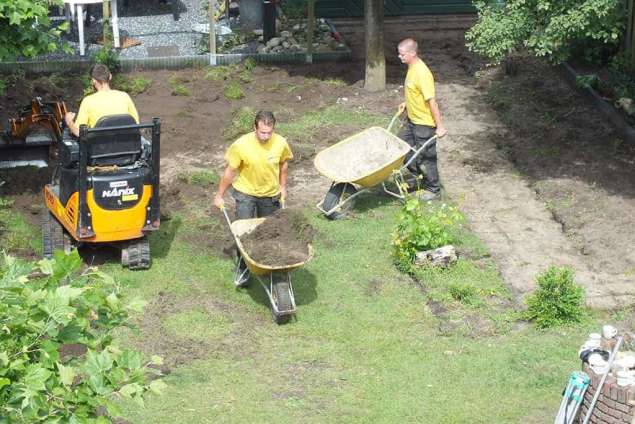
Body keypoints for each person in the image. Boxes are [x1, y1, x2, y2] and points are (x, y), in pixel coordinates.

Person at [213, 111, 293, 287]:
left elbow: (284, 164)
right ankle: (244, 267)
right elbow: (230, 171)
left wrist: (283, 187)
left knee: (270, 231)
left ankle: (269, 265)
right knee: (244, 233)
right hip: (245, 193)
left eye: (269, 132)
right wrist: (219, 195)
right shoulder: (241, 145)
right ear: (254, 128)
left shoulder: (280, 143)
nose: (266, 136)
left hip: (270, 195)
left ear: (274, 129)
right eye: (262, 132)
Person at [397, 38, 447, 201]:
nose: (400, 57)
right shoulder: (412, 68)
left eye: (402, 54)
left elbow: (431, 101)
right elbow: (415, 92)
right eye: (399, 54)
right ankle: (421, 180)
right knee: (401, 149)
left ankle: (433, 189)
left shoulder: (422, 72)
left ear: (412, 53)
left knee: (426, 157)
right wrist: (407, 103)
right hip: (412, 120)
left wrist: (439, 126)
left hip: (424, 123)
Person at [64, 64, 139, 137]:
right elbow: (136, 124)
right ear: (110, 76)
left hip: (100, 148)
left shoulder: (88, 101)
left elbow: (78, 133)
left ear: (93, 81)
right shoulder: (124, 96)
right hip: (127, 146)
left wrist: (69, 121)